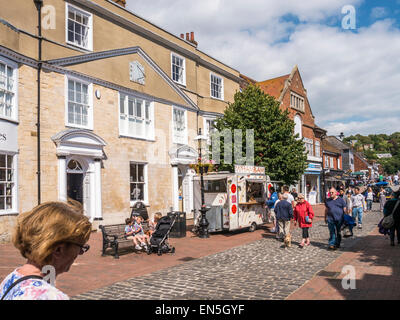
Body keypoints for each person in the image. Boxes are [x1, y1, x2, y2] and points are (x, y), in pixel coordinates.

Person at [0, 201, 92, 300]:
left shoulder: (12, 278)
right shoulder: (50, 296)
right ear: (58, 250)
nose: (79, 253)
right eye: (80, 247)